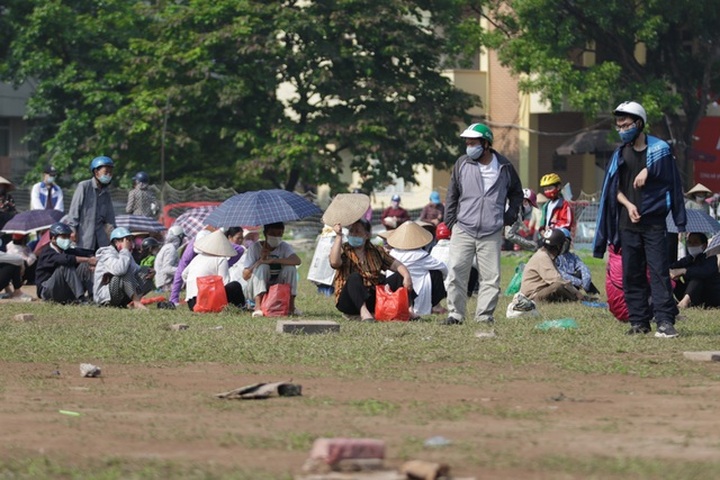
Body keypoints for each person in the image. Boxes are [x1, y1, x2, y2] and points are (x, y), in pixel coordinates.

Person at [593, 100, 686, 338]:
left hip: (654, 225)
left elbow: (672, 181)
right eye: (619, 126)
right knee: (631, 274)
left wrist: (649, 170)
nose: (622, 129)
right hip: (628, 224)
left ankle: (665, 321)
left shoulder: (660, 151)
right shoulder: (620, 154)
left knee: (658, 273)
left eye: (626, 125)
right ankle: (639, 321)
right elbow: (613, 188)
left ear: (639, 123)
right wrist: (628, 204)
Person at [441, 122, 523, 328]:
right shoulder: (462, 164)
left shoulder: (504, 166)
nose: (469, 146)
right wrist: (450, 221)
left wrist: (509, 216)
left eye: (473, 143)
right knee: (456, 273)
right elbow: (452, 194)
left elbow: (516, 193)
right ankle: (456, 314)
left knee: (491, 277)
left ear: (486, 144)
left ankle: (484, 315)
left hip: (491, 231)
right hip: (464, 228)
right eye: (467, 143)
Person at [329, 218, 413, 321]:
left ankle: (408, 310)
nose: (353, 234)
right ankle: (363, 312)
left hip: (373, 295)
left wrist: (406, 275)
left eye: (357, 231)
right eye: (351, 231)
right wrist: (338, 236)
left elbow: (396, 265)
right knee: (355, 277)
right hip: (349, 299)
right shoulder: (344, 249)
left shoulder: (376, 250)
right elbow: (334, 262)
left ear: (367, 235)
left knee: (400, 276)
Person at [382, 221, 447, 316]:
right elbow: (443, 268)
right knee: (436, 273)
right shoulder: (422, 255)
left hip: (393, 290)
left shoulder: (392, 253)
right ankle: (435, 305)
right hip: (412, 291)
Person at [241, 222, 301, 317]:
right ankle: (258, 307)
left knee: (291, 269)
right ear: (265, 234)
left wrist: (273, 260)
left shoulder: (283, 247)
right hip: (255, 287)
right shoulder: (255, 248)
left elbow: (297, 260)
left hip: (277, 285)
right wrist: (260, 261)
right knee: (263, 267)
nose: (276, 237)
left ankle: (291, 306)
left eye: (279, 234)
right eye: (272, 234)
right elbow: (245, 276)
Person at [182, 229, 245, 311]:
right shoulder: (221, 259)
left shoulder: (197, 258)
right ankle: (240, 307)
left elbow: (184, 274)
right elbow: (225, 282)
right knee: (235, 285)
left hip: (192, 304)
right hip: (206, 302)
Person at [93, 227, 154, 309]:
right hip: (106, 295)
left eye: (130, 240)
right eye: (126, 240)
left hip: (119, 293)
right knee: (125, 271)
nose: (129, 243)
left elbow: (137, 270)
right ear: (115, 242)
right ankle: (136, 302)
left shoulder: (126, 254)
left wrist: (151, 272)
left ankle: (131, 301)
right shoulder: (106, 253)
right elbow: (120, 270)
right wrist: (125, 249)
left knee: (145, 271)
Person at [35, 222, 96, 303]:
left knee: (85, 264)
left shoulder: (66, 250)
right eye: (63, 237)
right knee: (65, 265)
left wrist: (91, 259)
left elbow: (85, 252)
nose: (67, 240)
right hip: (47, 291)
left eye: (68, 237)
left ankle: (93, 296)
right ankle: (81, 298)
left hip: (64, 291)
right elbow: (66, 259)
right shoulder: (46, 252)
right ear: (53, 238)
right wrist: (88, 259)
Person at [520, 229, 586, 302]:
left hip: (539, 291)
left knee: (561, 286)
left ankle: (578, 298)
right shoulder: (542, 257)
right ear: (558, 246)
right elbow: (558, 280)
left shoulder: (546, 255)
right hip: (533, 296)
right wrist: (576, 292)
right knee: (558, 286)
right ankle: (578, 299)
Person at [67, 156, 116, 250]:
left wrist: (113, 235)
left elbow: (110, 217)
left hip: (101, 239)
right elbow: (74, 210)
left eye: (110, 173)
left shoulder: (106, 193)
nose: (109, 175)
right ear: (96, 172)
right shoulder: (84, 186)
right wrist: (72, 230)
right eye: (106, 172)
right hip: (84, 236)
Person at [670, 232, 720, 309]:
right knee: (674, 279)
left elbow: (704, 272)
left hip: (710, 296)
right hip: (692, 294)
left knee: (697, 279)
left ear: (704, 245)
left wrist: (684, 271)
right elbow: (673, 266)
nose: (692, 245)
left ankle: (684, 303)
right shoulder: (688, 259)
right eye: (689, 242)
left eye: (695, 242)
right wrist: (673, 273)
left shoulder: (710, 258)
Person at [170, 228, 213, 306]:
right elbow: (180, 273)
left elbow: (239, 249)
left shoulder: (215, 243)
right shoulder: (189, 254)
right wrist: (174, 298)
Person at [555, 228, 600, 296]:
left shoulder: (572, 256)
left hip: (574, 283)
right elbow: (558, 274)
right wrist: (578, 282)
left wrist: (585, 280)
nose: (564, 244)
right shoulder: (554, 257)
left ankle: (595, 295)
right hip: (562, 283)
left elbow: (583, 267)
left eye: (566, 242)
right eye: (562, 242)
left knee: (581, 273)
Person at [155, 225, 185, 291]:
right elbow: (166, 268)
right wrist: (183, 270)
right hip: (166, 285)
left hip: (165, 283)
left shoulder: (168, 247)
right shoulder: (171, 249)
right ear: (179, 237)